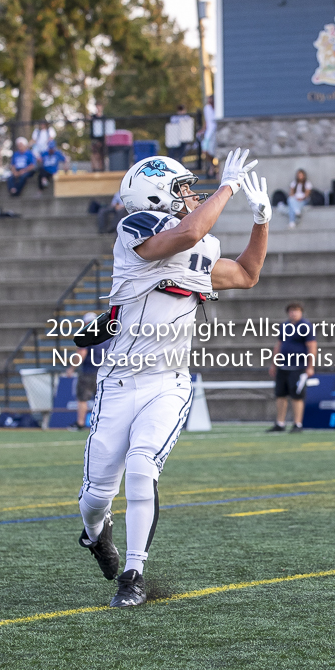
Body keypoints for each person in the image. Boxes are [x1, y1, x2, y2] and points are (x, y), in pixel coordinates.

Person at [77, 149, 269, 609]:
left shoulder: (196, 250)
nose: (188, 194)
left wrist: (261, 221)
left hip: (168, 382)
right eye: (180, 188)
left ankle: (134, 574)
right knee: (95, 498)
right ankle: (94, 537)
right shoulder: (136, 229)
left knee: (143, 468)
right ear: (153, 196)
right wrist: (227, 188)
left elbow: (246, 274)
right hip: (120, 383)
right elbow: (188, 231)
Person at [267, 304, 316, 434]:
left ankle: (297, 423)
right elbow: (279, 345)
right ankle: (280, 423)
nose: (293, 313)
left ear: (301, 312)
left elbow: (312, 346)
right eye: (291, 311)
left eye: (296, 311)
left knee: (296, 395)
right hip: (283, 365)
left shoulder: (305, 326)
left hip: (298, 367)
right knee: (280, 395)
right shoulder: (284, 326)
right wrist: (274, 363)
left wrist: (310, 366)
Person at [66, 313, 112, 430]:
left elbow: (82, 353)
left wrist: (72, 368)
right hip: (104, 372)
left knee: (82, 398)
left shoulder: (87, 334)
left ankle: (80, 423)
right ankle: (104, 424)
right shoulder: (106, 335)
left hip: (89, 371)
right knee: (103, 400)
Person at [199, 95, 217, 178]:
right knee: (205, 151)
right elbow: (206, 121)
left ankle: (215, 170)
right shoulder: (207, 108)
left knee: (216, 151)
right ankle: (212, 166)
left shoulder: (218, 107)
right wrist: (203, 129)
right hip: (209, 133)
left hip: (217, 132)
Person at [89, 103, 106, 172]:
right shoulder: (93, 117)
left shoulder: (104, 117)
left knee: (102, 155)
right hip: (94, 139)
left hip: (102, 139)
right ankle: (94, 169)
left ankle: (102, 169)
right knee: (95, 154)